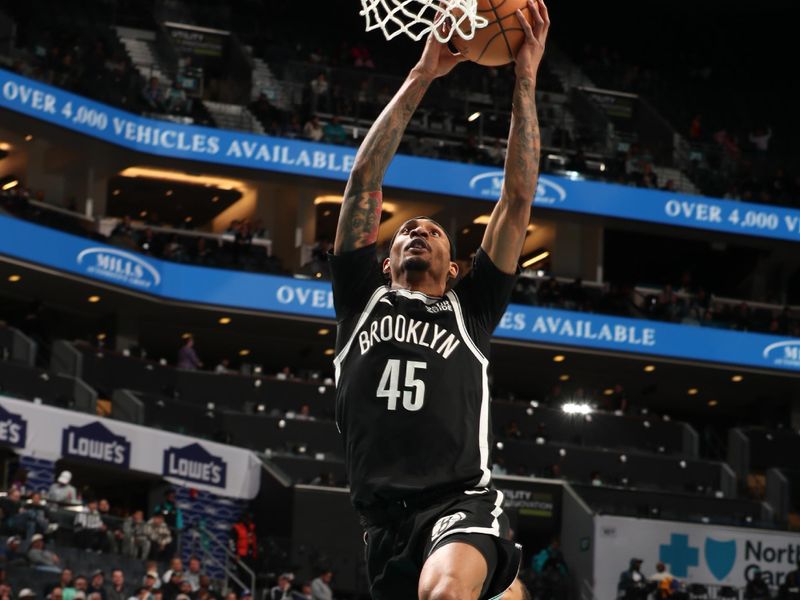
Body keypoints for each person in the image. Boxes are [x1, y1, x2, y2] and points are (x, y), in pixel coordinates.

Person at [328, 2, 549, 598]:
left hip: (459, 502)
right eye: (405, 230)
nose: (417, 230)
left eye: (433, 231)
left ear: (454, 267)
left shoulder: (470, 308)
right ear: (383, 258)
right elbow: (363, 182)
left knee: (445, 593)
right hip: (381, 526)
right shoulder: (360, 301)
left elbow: (517, 200)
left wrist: (524, 81)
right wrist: (422, 73)